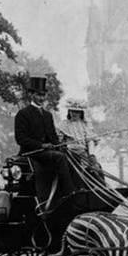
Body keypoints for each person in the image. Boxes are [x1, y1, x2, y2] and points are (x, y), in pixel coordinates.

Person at [14, 76, 75, 211]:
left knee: (69, 154)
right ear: (31, 95)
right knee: (59, 157)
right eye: (38, 95)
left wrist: (60, 145)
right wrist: (41, 146)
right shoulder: (23, 114)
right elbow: (21, 139)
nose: (41, 98)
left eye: (43, 95)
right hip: (32, 153)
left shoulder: (48, 115)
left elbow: (52, 137)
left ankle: (76, 189)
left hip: (47, 152)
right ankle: (69, 192)